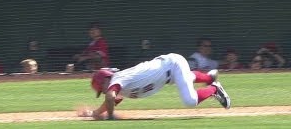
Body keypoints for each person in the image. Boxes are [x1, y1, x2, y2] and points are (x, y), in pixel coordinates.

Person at [80, 53, 231, 120]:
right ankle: (209, 77)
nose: (104, 91)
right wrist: (95, 113)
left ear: (105, 81)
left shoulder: (118, 80)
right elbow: (111, 100)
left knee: (190, 101)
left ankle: (214, 88)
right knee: (186, 77)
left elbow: (110, 96)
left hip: (173, 65)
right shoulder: (119, 85)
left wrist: (111, 117)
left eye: (102, 88)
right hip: (167, 70)